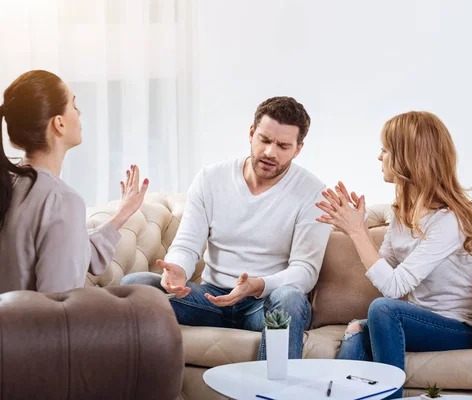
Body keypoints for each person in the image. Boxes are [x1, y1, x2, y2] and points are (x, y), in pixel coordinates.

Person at [121, 96, 331, 360]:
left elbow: (305, 271)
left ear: (298, 149)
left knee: (289, 299)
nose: (270, 153)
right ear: (252, 133)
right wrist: (178, 269)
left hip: (263, 304)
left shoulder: (313, 193)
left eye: (283, 146)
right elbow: (187, 244)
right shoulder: (211, 178)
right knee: (135, 285)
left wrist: (256, 285)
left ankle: (272, 394)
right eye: (265, 140)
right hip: (210, 300)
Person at [316, 111, 472, 398]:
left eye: (385, 150)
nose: (379, 157)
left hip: (463, 327)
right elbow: (385, 270)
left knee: (383, 309)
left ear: (409, 157)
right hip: (420, 320)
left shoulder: (449, 220)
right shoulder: (402, 212)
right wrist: (354, 228)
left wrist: (358, 233)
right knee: (357, 330)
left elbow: (393, 289)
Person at [0, 70, 148, 294]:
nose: (79, 114)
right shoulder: (61, 200)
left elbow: (71, 249)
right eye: (74, 105)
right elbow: (60, 308)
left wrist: (122, 214)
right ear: (58, 123)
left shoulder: (10, 184)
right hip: (32, 329)